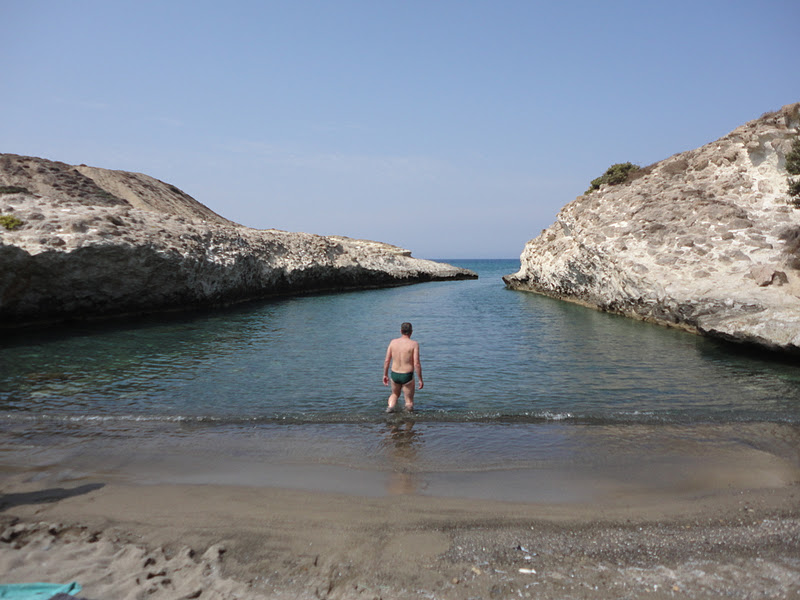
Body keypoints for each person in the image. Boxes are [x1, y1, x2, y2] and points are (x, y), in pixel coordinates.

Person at [382, 322, 423, 412]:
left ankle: (390, 408)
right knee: (409, 401)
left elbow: (387, 360)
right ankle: (408, 418)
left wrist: (385, 375)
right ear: (411, 332)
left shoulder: (393, 342)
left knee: (394, 394)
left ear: (401, 331)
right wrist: (420, 379)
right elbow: (416, 363)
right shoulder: (414, 344)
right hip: (407, 375)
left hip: (395, 374)